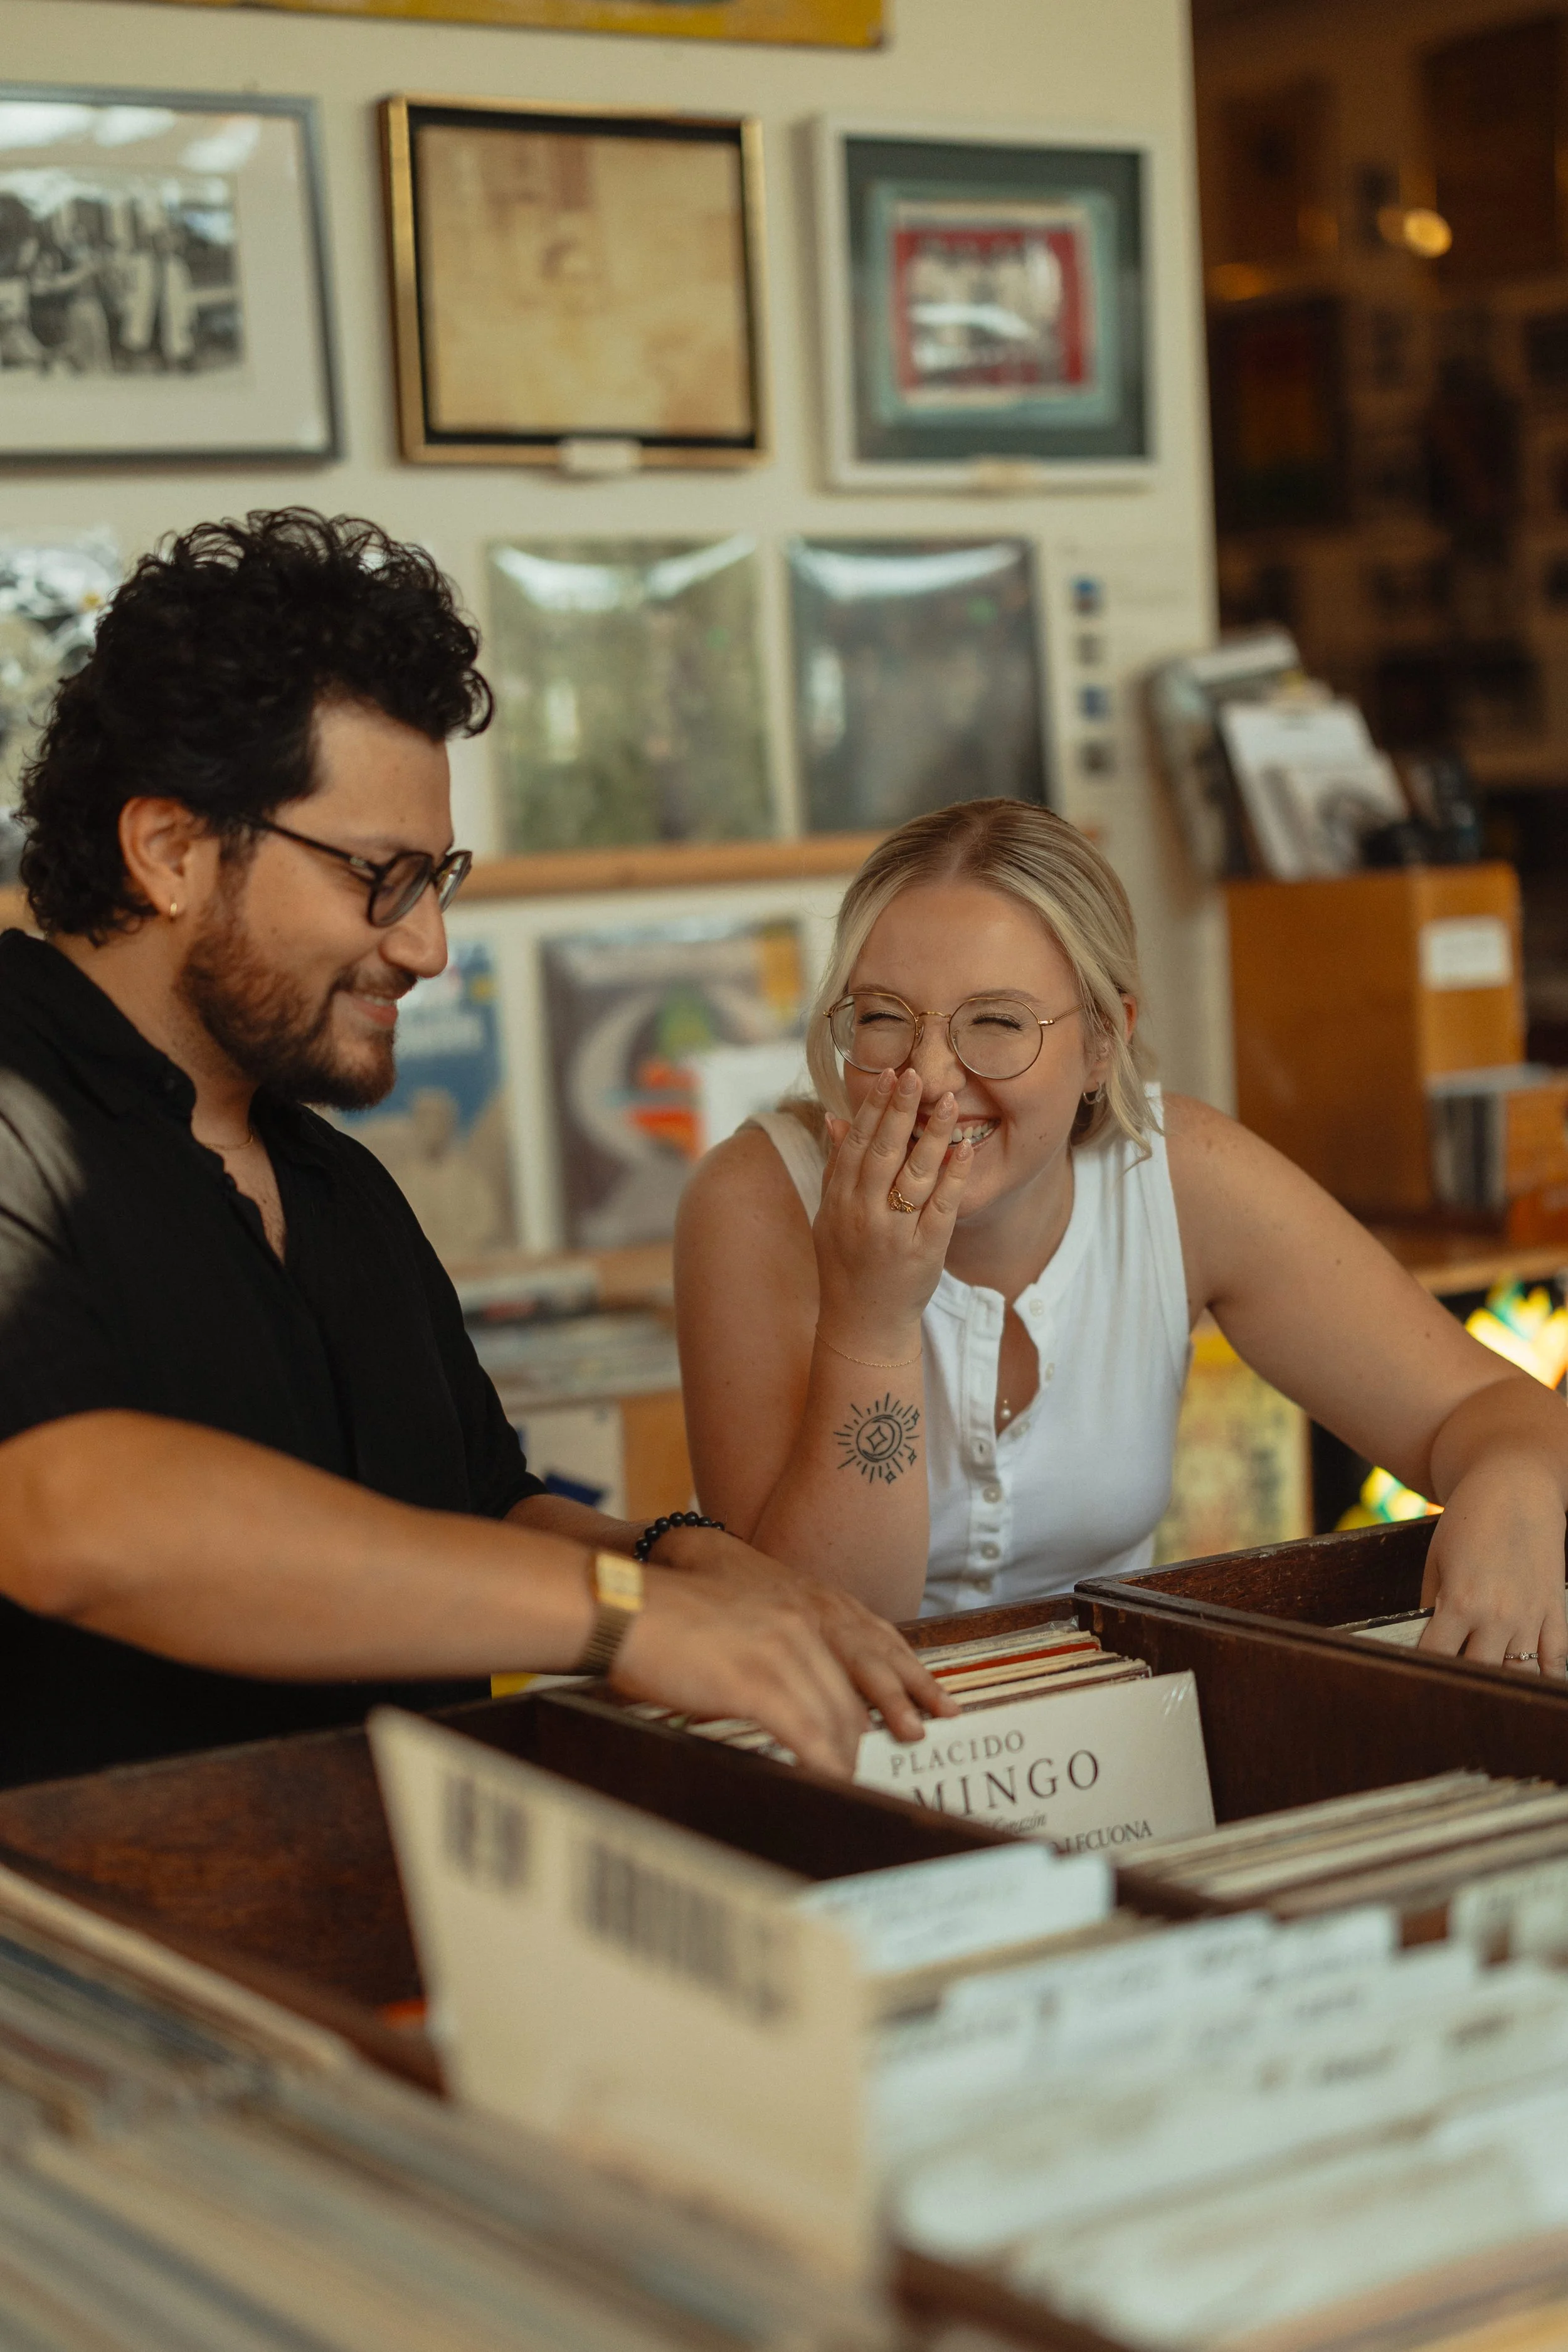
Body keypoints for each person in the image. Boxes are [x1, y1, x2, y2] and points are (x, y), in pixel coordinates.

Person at [0, 507, 948, 1791]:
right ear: (171, 849)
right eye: (378, 877)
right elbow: (69, 1510)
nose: (427, 946)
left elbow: (483, 1508)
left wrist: (680, 1563)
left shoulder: (336, 1181)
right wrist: (625, 1619)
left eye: (435, 879)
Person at [676, 797, 1568, 1677]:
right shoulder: (755, 1201)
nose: (933, 1077)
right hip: (834, 1728)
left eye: (997, 1022)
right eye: (882, 1017)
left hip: (1119, 1730)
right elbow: (820, 1635)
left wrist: (1512, 1483)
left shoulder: (1180, 1176)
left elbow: (1492, 1411)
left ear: (1105, 1041)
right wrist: (871, 1319)